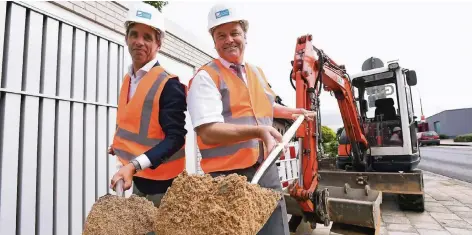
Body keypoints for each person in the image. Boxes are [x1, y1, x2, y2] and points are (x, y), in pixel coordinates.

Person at [187, 4, 315, 235]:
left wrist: (291, 112)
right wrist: (258, 132)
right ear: (214, 41)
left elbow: (263, 105)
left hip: (265, 168)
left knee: (276, 229)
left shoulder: (255, 72)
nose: (229, 40)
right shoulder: (206, 77)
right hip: (226, 178)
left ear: (245, 35)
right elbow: (208, 131)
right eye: (221, 35)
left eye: (235, 33)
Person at [108, 2, 187, 210]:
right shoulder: (129, 79)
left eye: (147, 37)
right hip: (137, 180)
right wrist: (119, 147)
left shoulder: (169, 84)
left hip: (163, 188)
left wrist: (133, 165)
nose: (139, 42)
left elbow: (176, 138)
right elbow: (135, 124)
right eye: (134, 35)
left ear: (159, 44)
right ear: (126, 38)